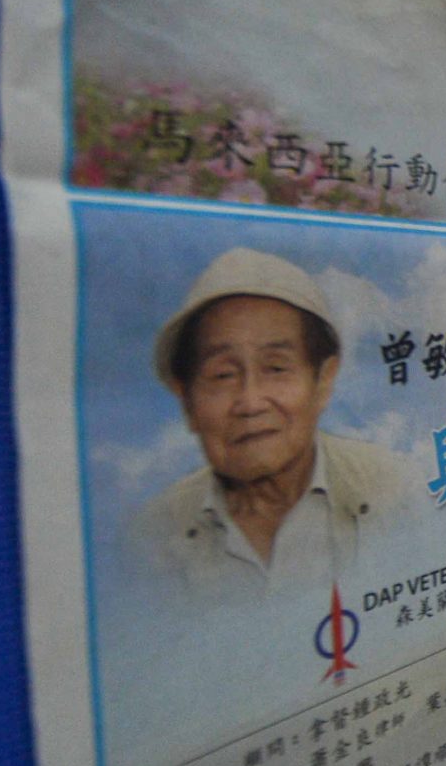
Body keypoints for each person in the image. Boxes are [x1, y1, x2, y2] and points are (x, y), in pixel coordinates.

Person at [139, 248, 410, 596]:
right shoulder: (150, 536)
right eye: (222, 375)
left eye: (276, 368)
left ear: (323, 382)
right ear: (187, 401)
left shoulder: (396, 491)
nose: (251, 402)